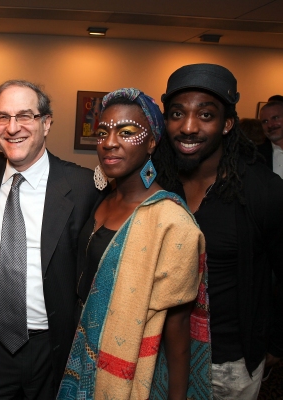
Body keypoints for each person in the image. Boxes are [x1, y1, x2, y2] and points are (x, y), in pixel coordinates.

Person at [155, 63, 283, 399]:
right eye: (177, 113)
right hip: (158, 353)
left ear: (227, 124)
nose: (188, 126)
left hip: (227, 364)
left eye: (206, 115)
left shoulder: (265, 194)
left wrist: (279, 346)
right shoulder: (158, 184)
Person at [58, 88, 210, 400]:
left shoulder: (171, 222)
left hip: (128, 366)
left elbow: (178, 330)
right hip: (80, 348)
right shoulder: (101, 200)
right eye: (102, 132)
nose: (110, 142)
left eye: (127, 132)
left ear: (153, 141)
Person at [0, 80, 100, 398]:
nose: (12, 127)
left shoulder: (83, 187)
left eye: (25, 116)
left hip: (52, 347)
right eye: (3, 117)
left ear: (46, 123)